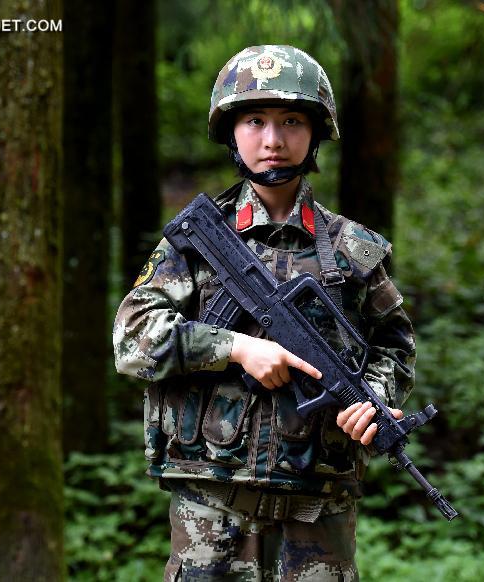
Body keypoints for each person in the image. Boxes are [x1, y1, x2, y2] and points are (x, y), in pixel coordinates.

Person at [113, 44, 416, 581]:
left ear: (315, 133)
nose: (272, 140)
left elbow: (394, 347)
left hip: (317, 507)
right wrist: (235, 348)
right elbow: (132, 339)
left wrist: (375, 403)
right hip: (212, 504)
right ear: (232, 131)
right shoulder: (197, 243)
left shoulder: (354, 251)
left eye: (291, 121)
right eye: (255, 120)